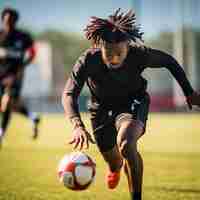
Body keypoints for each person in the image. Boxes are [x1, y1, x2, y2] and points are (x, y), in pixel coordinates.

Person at [62, 9, 200, 200]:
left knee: (126, 144)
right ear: (100, 46)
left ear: (128, 45)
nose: (114, 58)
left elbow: (169, 61)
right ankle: (115, 169)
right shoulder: (88, 60)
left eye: (119, 52)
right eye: (109, 53)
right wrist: (77, 125)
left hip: (133, 103)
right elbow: (69, 94)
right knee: (114, 162)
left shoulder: (140, 54)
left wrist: (189, 92)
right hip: (100, 110)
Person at [0, 7, 41, 147]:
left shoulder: (23, 37)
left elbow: (33, 51)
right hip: (1, 75)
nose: (8, 23)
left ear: (15, 21)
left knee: (7, 103)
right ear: (3, 19)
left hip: (15, 75)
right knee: (9, 106)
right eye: (6, 20)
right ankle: (32, 116)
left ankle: (1, 134)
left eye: (11, 20)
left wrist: (24, 65)